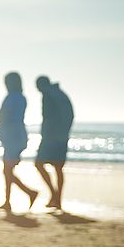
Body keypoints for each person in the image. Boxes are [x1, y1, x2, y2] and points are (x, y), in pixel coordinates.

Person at [0, 72, 38, 212]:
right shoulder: (21, 98)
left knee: (7, 170)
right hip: (18, 136)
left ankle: (27, 194)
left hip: (12, 138)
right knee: (8, 170)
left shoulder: (11, 98)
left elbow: (5, 117)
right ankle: (9, 201)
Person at [34, 75, 74, 210]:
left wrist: (45, 135)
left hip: (51, 137)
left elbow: (47, 117)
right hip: (62, 137)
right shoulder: (60, 94)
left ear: (40, 85)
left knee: (39, 164)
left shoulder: (48, 95)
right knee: (58, 168)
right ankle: (57, 200)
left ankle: (54, 195)